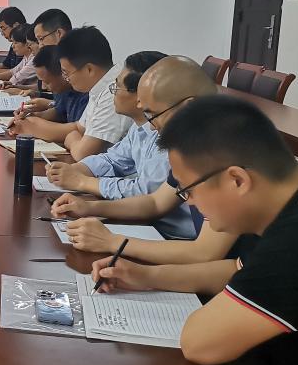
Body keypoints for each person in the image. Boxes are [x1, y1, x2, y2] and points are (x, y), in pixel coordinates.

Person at [92, 96, 298, 365]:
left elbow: (202, 343)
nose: (189, 204)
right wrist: (145, 276)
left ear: (237, 180)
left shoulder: (293, 243)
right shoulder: (285, 209)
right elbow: (234, 270)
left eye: (190, 189)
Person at [52, 56, 239, 264]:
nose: (150, 126)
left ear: (188, 107)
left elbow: (204, 253)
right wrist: (89, 208)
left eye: (153, 115)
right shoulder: (191, 146)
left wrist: (112, 242)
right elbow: (155, 202)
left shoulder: (227, 152)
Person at [42, 52, 194, 233]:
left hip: (164, 232)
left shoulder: (176, 137)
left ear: (142, 95)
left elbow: (145, 193)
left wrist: (83, 182)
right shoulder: (141, 127)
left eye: (117, 86)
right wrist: (75, 171)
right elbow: (113, 160)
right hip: (146, 224)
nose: (112, 91)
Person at [54, 26, 130, 161]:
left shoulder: (114, 91)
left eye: (66, 73)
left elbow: (83, 154)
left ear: (89, 69)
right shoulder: (100, 85)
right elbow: (80, 128)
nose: (66, 79)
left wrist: (72, 139)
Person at [8, 46, 88, 140]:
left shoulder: (85, 94)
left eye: (47, 82)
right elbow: (59, 113)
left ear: (63, 73)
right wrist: (30, 117)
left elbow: (78, 131)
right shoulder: (65, 90)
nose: (44, 87)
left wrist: (33, 126)